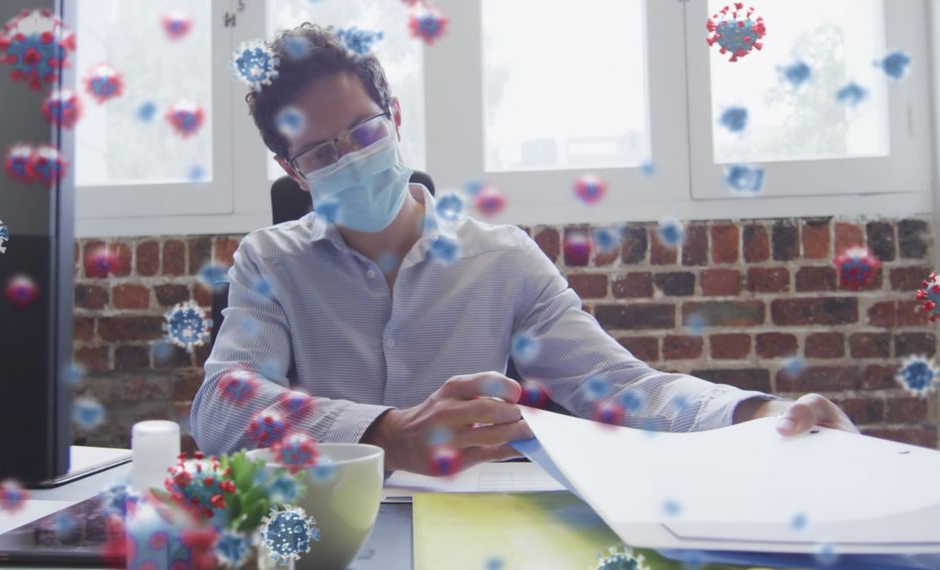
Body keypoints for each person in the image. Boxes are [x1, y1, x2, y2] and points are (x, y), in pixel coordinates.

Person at [190, 23, 857, 475]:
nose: (352, 158)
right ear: (293, 172)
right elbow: (222, 403)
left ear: (394, 118)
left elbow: (623, 388)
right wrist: (385, 434)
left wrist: (759, 414)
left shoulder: (502, 259)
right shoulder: (269, 261)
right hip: (324, 527)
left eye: (364, 132)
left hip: (472, 521)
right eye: (321, 153)